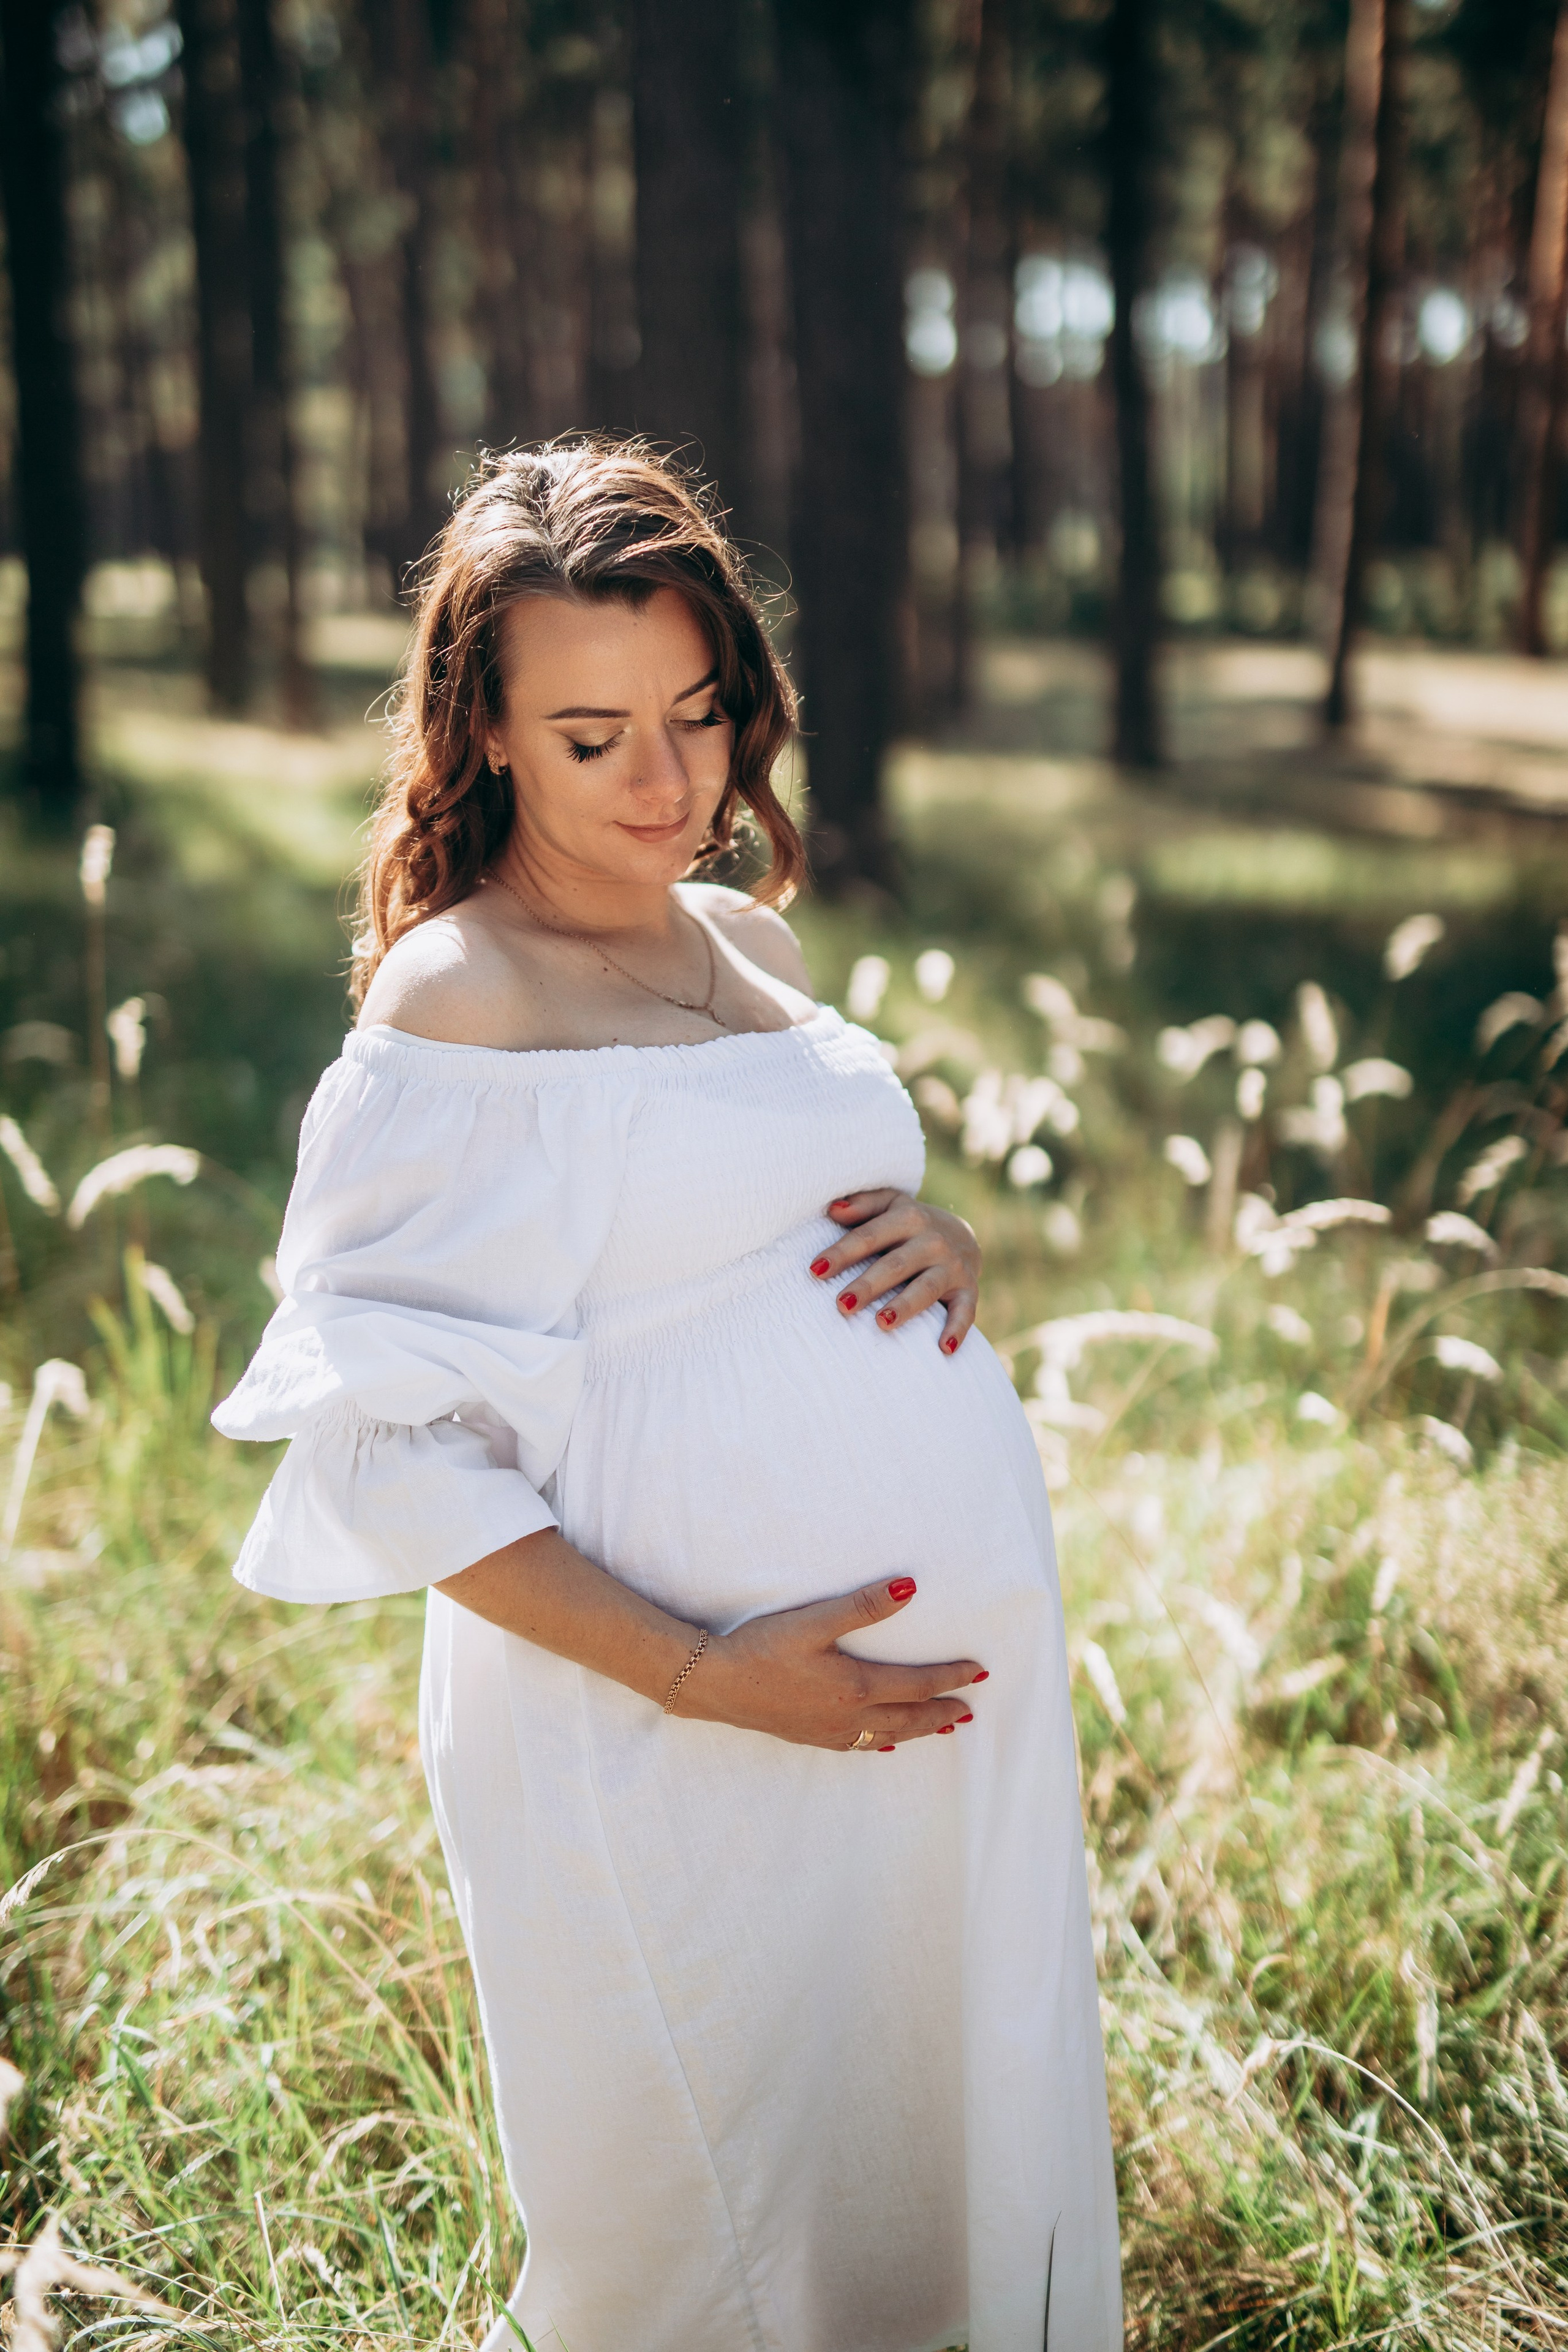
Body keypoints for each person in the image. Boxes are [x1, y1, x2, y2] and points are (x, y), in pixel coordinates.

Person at [214, 441, 1121, 2352]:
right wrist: (710, 1674)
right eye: (594, 734)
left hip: (923, 1739)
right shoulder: (458, 999)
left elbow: (757, 1224)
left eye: (700, 716)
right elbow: (388, 1441)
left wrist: (940, 1240)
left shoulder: (751, 945)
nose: (671, 782)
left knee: (927, 2169)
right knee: (694, 2236)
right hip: (661, 1722)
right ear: (483, 740)